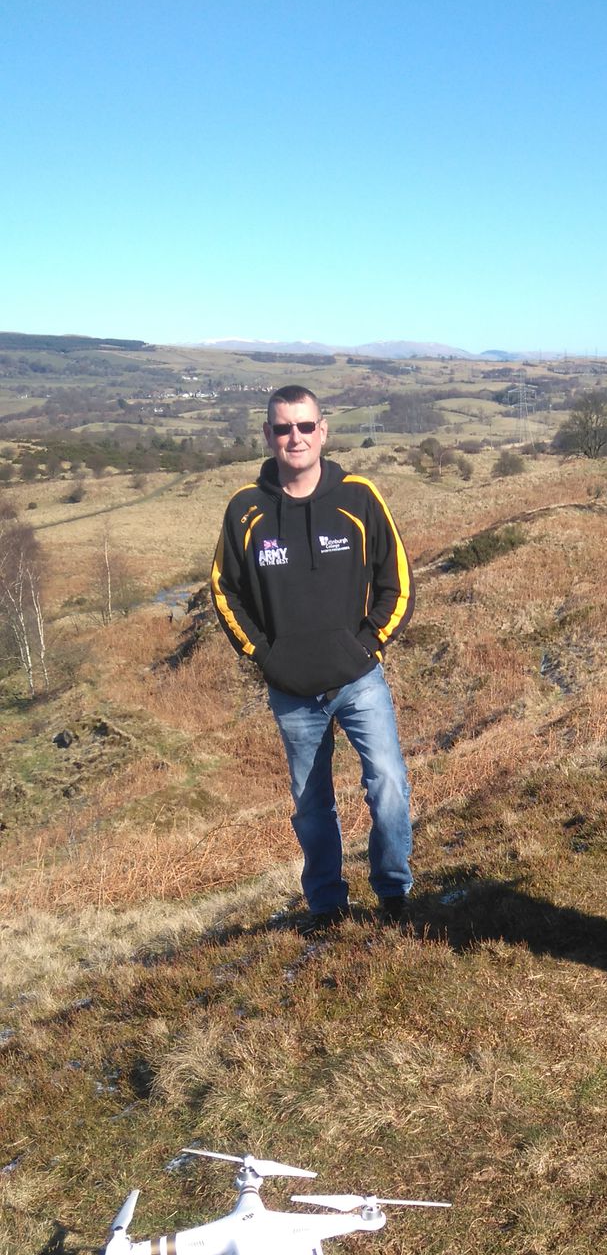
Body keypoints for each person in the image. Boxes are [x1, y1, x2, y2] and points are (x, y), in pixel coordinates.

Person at [211, 386, 414, 928]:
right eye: (283, 428)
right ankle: (327, 905)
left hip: (359, 680)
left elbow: (398, 581)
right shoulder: (245, 510)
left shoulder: (359, 497)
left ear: (323, 430)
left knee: (388, 784)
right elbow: (224, 590)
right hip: (292, 692)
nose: (294, 437)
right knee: (310, 805)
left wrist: (365, 645)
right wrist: (264, 656)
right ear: (268, 435)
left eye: (305, 426)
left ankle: (394, 892)